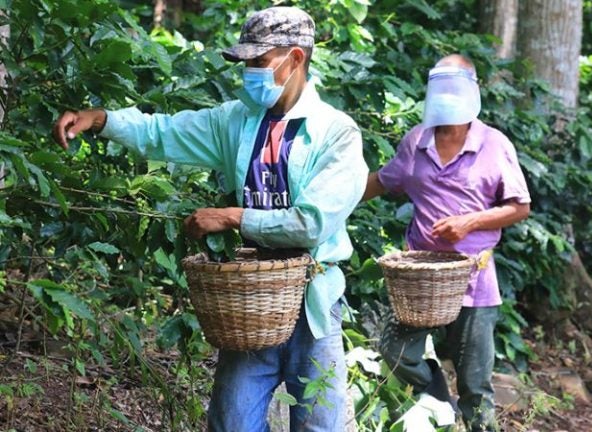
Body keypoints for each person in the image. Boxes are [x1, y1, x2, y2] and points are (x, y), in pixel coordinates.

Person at [52, 7, 368, 431]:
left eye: (259, 62)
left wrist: (234, 217)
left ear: (295, 59)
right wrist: (102, 120)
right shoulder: (236, 121)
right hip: (251, 300)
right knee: (231, 423)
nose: (249, 74)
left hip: (313, 305)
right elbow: (163, 133)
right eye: (246, 65)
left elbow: (311, 223)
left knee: (319, 426)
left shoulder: (337, 133)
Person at [362, 54, 531, 431]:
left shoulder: (493, 144)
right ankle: (437, 395)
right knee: (394, 351)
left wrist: (470, 222)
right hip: (420, 279)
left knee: (476, 383)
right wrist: (328, 199)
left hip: (473, 277)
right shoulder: (417, 141)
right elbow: (381, 182)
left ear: (473, 89)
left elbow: (520, 207)